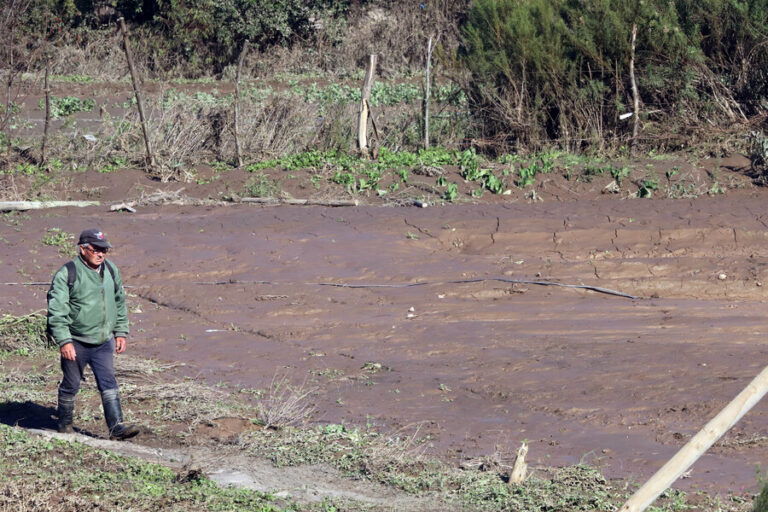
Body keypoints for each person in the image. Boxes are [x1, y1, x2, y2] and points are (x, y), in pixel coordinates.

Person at [46, 228, 139, 440]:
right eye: (96, 249)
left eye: (104, 250)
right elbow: (57, 311)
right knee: (71, 384)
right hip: (76, 341)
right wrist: (64, 341)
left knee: (108, 383)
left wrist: (121, 332)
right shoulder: (67, 273)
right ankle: (65, 425)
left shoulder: (111, 270)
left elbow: (119, 302)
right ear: (83, 249)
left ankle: (117, 428)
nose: (101, 254)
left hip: (103, 341)